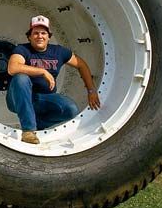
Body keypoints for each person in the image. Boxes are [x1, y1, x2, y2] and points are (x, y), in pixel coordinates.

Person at [6, 15, 101, 145]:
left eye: (43, 33)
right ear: (29, 36)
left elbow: (81, 64)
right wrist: (42, 71)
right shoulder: (22, 49)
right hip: (18, 98)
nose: (40, 36)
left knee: (70, 109)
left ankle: (38, 124)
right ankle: (28, 131)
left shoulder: (59, 52)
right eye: (36, 33)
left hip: (44, 99)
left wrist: (91, 91)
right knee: (21, 78)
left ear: (49, 36)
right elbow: (13, 68)